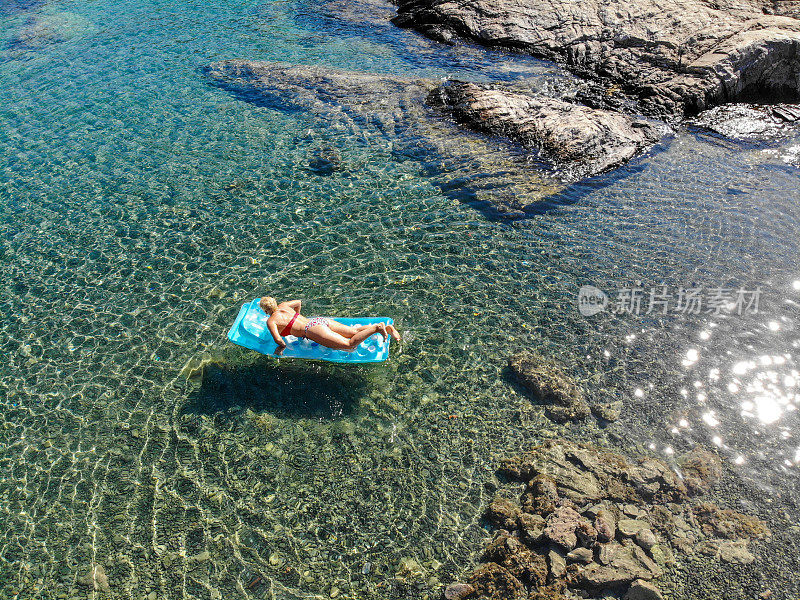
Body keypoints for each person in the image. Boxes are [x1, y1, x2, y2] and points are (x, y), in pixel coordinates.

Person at [259, 296, 401, 352]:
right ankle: (387, 327)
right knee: (354, 331)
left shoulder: (271, 321)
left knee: (349, 344)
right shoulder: (284, 305)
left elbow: (278, 339)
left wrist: (281, 348)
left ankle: (378, 328)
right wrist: (299, 316)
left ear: (266, 310)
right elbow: (298, 303)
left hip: (311, 329)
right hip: (317, 321)